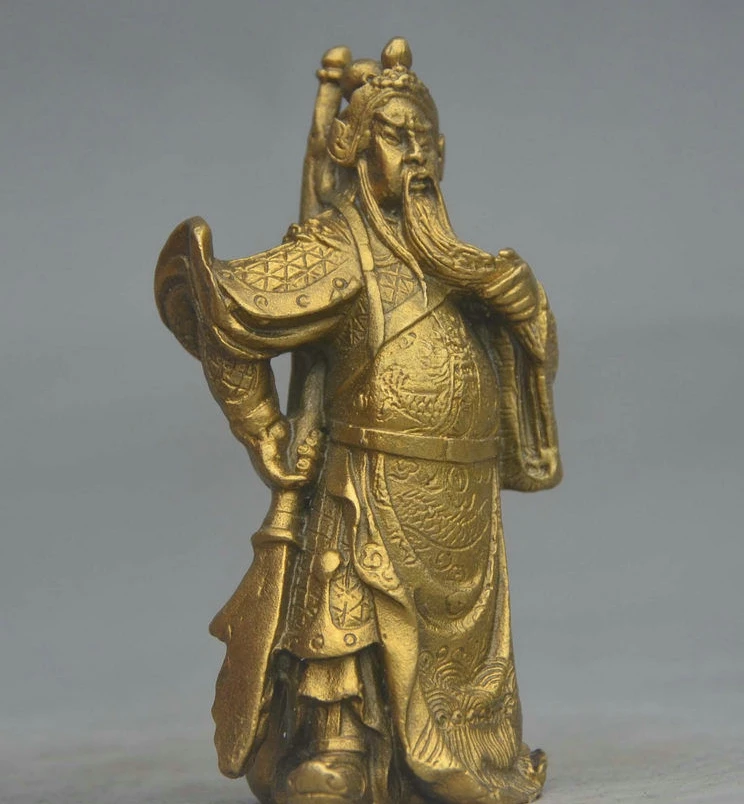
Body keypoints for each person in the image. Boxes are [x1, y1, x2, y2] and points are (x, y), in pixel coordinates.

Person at [155, 38, 561, 804]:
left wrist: (524, 313)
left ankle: (469, 752)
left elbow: (519, 386)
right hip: (370, 492)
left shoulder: (459, 264)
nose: (416, 155)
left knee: (458, 660)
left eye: (425, 139)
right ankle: (336, 742)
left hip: (462, 511)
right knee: (347, 617)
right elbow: (219, 306)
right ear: (354, 148)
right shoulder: (336, 248)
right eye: (395, 135)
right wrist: (263, 428)